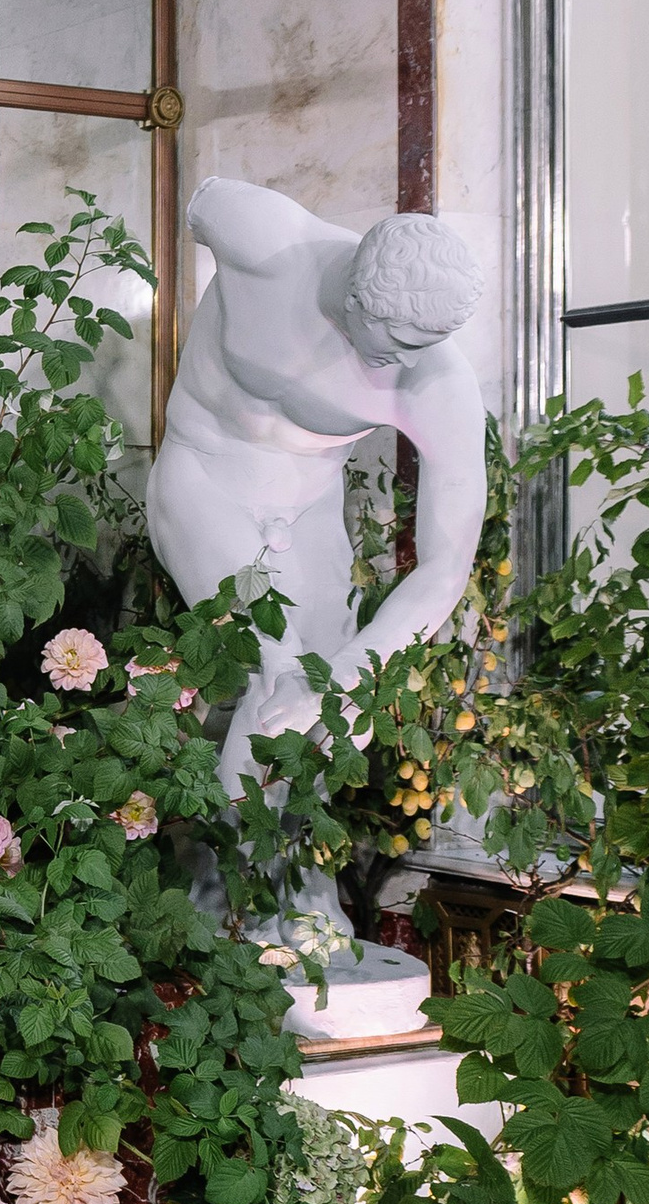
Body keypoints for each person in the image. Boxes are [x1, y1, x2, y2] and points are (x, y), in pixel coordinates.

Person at [147, 180, 487, 805]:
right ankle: (238, 886)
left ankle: (275, 886)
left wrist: (358, 672)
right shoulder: (268, 243)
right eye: (404, 342)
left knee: (320, 712)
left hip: (309, 511)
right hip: (203, 474)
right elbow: (197, 199)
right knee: (274, 666)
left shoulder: (440, 384)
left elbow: (446, 565)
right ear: (358, 299)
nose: (414, 365)